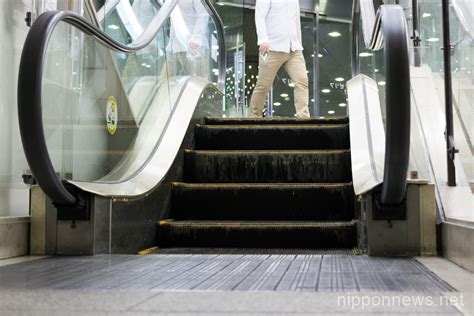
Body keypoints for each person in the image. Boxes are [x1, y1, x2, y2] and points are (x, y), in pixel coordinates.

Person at [250, 0, 310, 118]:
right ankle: (254, 117)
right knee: (263, 86)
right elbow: (259, 15)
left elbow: (296, 21)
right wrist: (263, 39)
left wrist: (298, 43)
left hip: (294, 49)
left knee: (302, 81)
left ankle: (303, 117)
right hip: (272, 47)